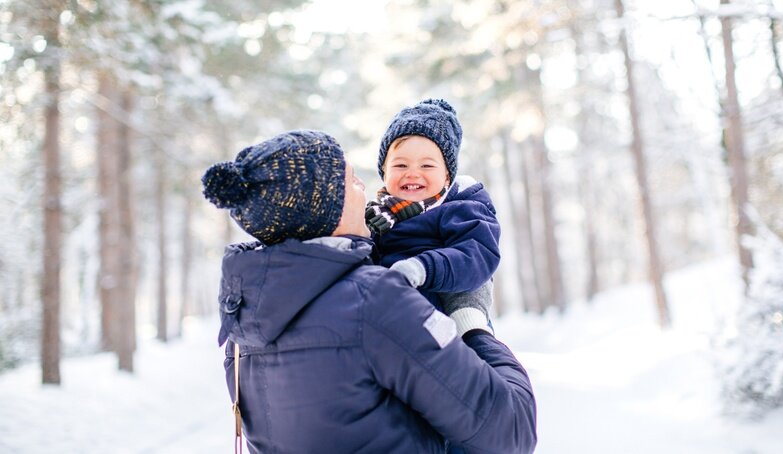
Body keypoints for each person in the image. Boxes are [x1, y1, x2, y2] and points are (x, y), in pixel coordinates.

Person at [201, 129, 537, 453]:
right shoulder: (375, 300)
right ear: (326, 208)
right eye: (349, 180)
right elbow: (512, 429)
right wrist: (473, 324)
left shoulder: (246, 318)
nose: (363, 185)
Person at [366, 98, 499, 335]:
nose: (412, 174)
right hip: (392, 328)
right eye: (400, 165)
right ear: (384, 172)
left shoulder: (461, 207)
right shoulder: (377, 217)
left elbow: (477, 255)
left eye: (426, 166)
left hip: (451, 331)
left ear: (447, 175)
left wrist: (424, 267)